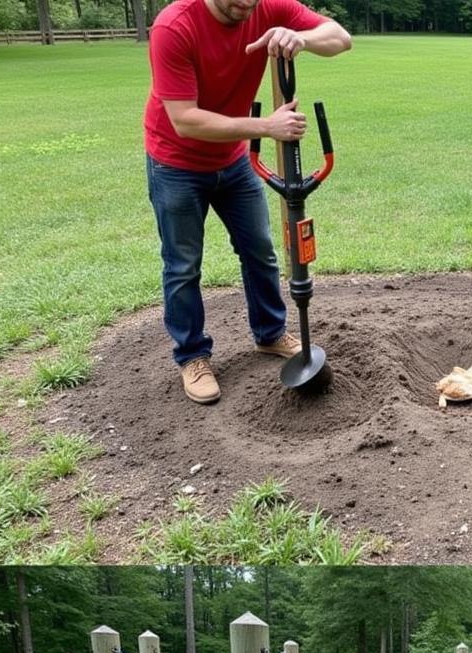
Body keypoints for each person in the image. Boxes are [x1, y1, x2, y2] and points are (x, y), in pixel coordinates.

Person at [144, 0, 351, 403]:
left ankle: (271, 333)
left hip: (234, 161)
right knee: (183, 264)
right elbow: (185, 119)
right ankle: (192, 356)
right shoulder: (174, 27)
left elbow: (341, 38)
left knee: (260, 251)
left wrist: (300, 38)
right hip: (176, 162)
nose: (245, 3)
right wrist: (266, 126)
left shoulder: (269, 7)